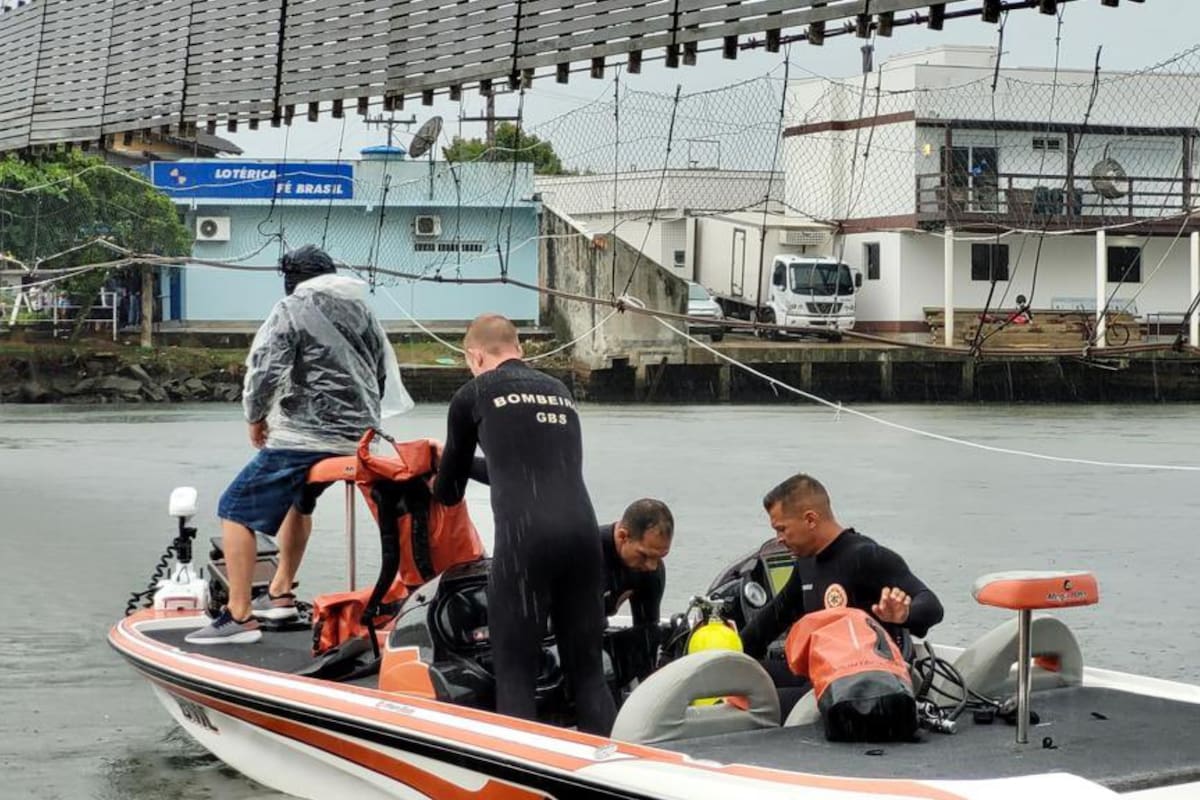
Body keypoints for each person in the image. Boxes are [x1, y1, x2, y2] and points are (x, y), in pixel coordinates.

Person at [187, 245, 412, 645]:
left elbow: (266, 369)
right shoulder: (362, 310)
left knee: (234, 508)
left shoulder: (291, 308)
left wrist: (256, 418)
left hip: (305, 439)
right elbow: (380, 373)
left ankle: (238, 614)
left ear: (292, 278)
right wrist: (359, 424)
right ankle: (280, 593)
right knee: (299, 499)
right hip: (359, 437)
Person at [431, 313, 616, 735]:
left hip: (525, 542)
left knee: (516, 675)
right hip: (583, 536)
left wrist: (440, 461)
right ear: (520, 349)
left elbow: (448, 492)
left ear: (474, 356)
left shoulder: (472, 394)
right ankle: (607, 768)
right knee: (587, 673)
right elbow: (529, 466)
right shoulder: (559, 390)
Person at [741, 474, 943, 675]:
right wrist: (729, 651)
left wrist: (904, 615)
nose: (779, 539)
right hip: (822, 673)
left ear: (811, 519)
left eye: (782, 529)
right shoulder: (807, 563)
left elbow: (931, 605)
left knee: (752, 697)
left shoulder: (865, 556)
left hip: (863, 684)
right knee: (737, 678)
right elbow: (773, 619)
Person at [600, 499, 673, 683]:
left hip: (596, 635)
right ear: (623, 536)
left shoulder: (650, 570)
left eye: (659, 557)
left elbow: (647, 632)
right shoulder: (588, 551)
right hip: (553, 640)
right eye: (644, 555)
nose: (651, 565)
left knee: (651, 636)